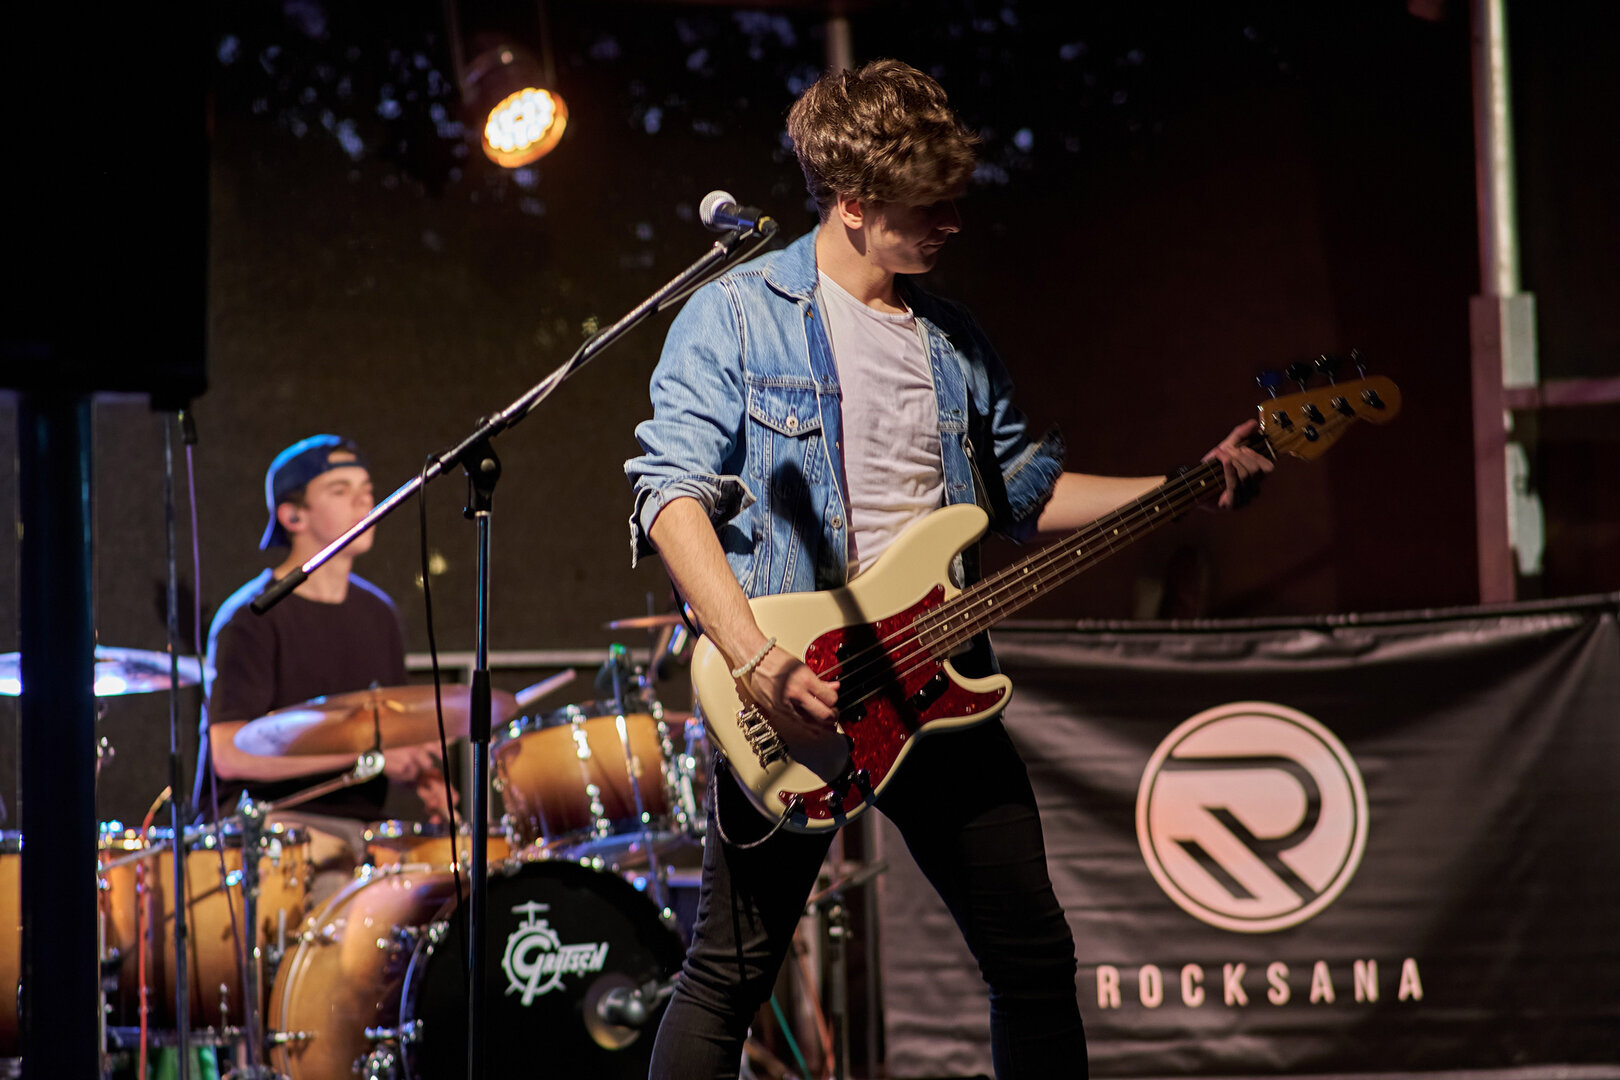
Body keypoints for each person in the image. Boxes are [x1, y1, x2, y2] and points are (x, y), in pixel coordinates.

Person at [625, 60, 1273, 1078]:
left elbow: (1020, 496)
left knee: (1033, 960)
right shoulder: (737, 314)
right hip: (798, 687)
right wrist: (755, 660)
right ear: (851, 203)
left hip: (942, 682)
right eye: (929, 207)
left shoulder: (954, 343)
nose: (953, 224)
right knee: (729, 975)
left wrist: (1187, 483)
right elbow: (670, 497)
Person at [199, 434, 452, 881]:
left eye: (367, 490)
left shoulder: (379, 614)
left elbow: (384, 734)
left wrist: (420, 775)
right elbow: (229, 755)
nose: (364, 502)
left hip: (362, 830)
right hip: (269, 830)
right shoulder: (251, 617)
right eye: (340, 490)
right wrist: (368, 757)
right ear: (292, 515)